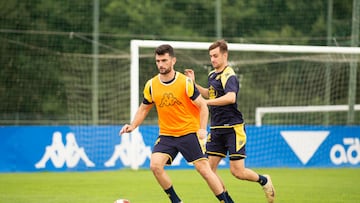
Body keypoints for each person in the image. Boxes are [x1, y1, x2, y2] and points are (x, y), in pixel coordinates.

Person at [120, 44, 233, 203]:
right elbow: (144, 109)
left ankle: (226, 201)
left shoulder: (185, 82)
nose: (161, 64)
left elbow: (203, 106)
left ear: (173, 61)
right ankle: (176, 200)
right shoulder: (151, 85)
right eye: (158, 61)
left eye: (164, 60)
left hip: (189, 133)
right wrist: (132, 125)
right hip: (167, 135)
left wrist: (202, 129)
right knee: (155, 165)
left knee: (205, 171)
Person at [184, 39, 276, 203]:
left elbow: (231, 97)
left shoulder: (229, 75)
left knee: (237, 172)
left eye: (215, 56)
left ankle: (264, 180)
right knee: (208, 170)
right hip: (217, 129)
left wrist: (206, 103)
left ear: (225, 55)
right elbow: (208, 93)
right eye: (211, 56)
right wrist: (193, 84)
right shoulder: (212, 75)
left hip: (233, 128)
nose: (212, 59)